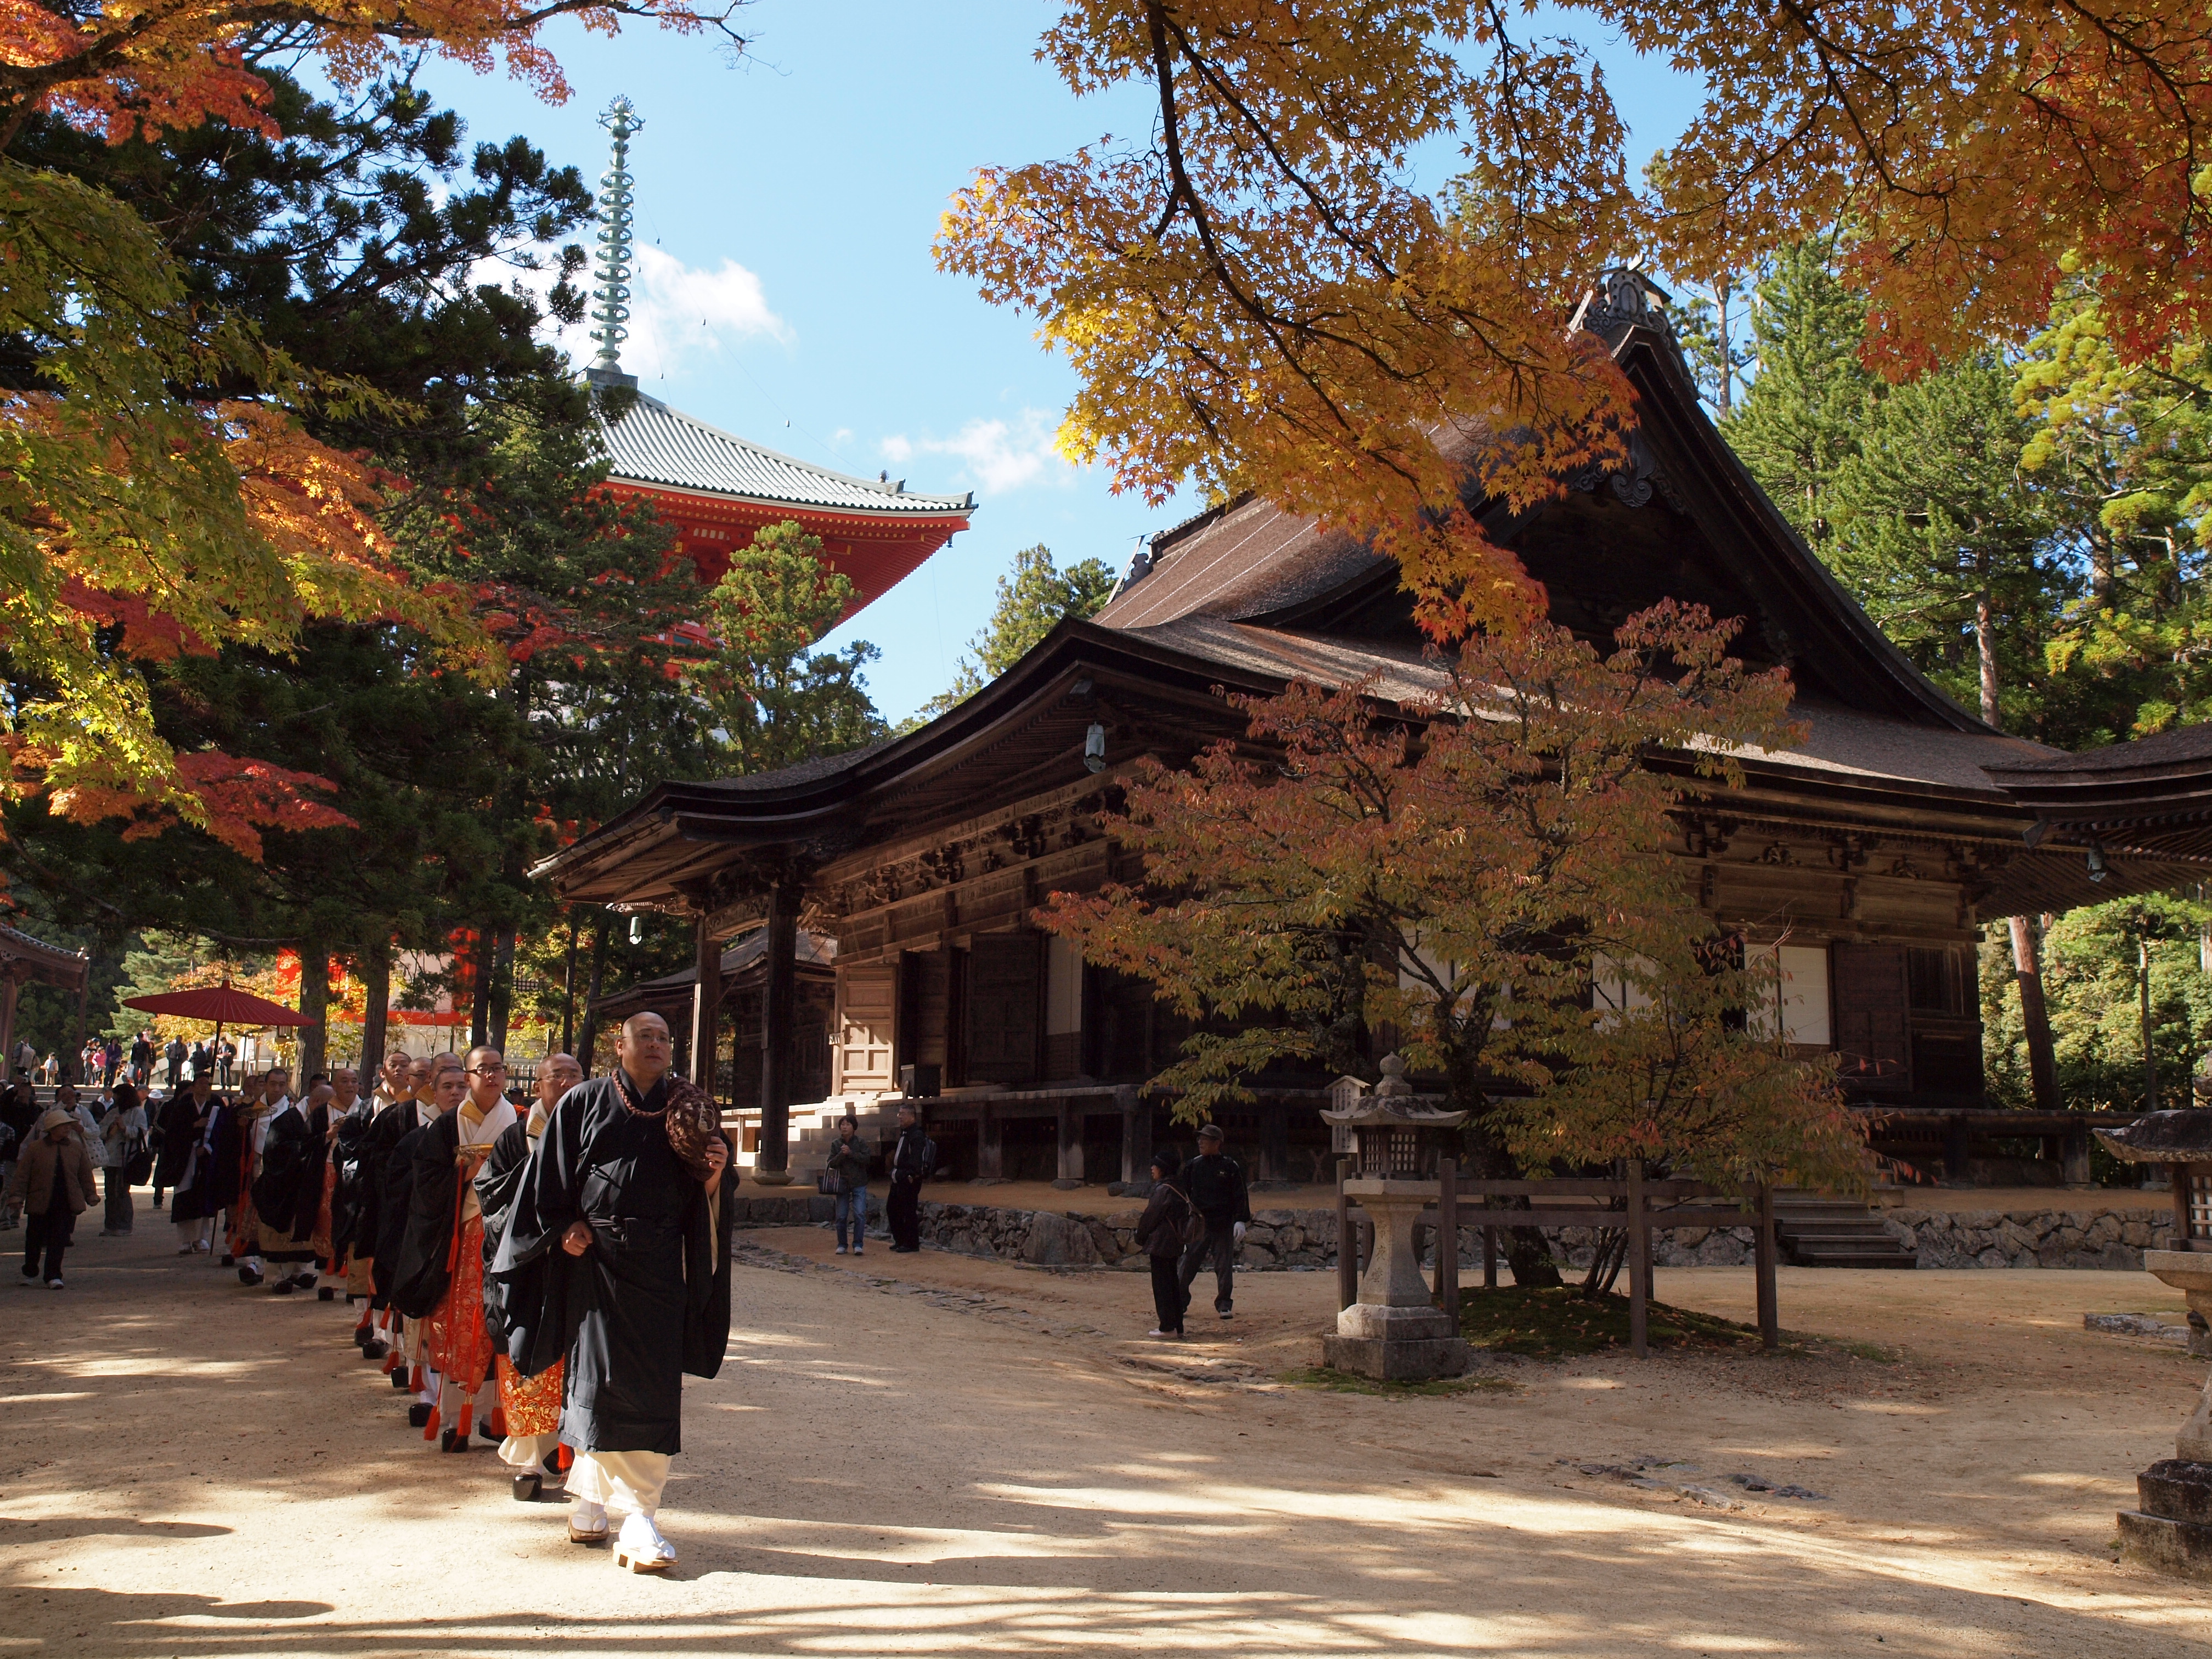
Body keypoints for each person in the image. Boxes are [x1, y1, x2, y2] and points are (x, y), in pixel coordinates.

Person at [493, 1012, 733, 1572]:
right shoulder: (584, 1102)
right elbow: (547, 1179)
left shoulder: (690, 1108)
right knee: (598, 1386)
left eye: (664, 1038)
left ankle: (635, 1515)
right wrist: (565, 1227)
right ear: (618, 1046)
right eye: (644, 1036)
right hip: (597, 1264)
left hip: (660, 1264)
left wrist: (717, 1175)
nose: (656, 1045)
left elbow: (706, 1187)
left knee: (652, 1387)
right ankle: (599, 1505)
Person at [392, 1046, 517, 1451]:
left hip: (507, 1233)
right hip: (462, 1236)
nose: (491, 1076)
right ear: (469, 1076)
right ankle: (453, 1415)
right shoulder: (448, 1126)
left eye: (498, 1068)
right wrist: (463, 1174)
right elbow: (425, 1182)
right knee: (462, 1322)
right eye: (483, 1069)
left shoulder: (518, 1120)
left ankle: (497, 1416)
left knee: (503, 1322)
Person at [478, 1051, 582, 1500]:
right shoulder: (515, 1137)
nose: (566, 1082)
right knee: (528, 1355)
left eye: (575, 1075)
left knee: (582, 1361)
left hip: (581, 1265)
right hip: (530, 1269)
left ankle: (579, 1456)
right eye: (556, 1076)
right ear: (538, 1085)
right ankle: (528, 1462)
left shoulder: (596, 1128)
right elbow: (490, 1194)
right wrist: (540, 1184)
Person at [380, 1054, 466, 1425]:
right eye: (447, 1086)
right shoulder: (414, 1133)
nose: (455, 1093)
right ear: (432, 1088)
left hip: (469, 1237)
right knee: (429, 1312)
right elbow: (395, 1186)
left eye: (462, 1086)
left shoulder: (488, 1132)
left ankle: (466, 1402)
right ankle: (429, 1395)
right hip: (423, 1235)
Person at [7, 1108, 98, 1288]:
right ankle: (30, 1271)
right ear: (53, 1128)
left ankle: (53, 1275)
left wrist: (90, 1194)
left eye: (68, 1125)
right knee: (34, 1239)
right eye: (63, 1125)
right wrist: (17, 1196)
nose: (67, 1128)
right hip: (39, 1200)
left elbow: (85, 1174)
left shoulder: (76, 1148)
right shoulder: (35, 1148)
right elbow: (23, 1175)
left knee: (58, 1239)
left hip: (64, 1200)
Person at [1177, 1124, 1251, 1322]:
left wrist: (1240, 1220)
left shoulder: (1230, 1166)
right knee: (1188, 1263)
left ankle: (1224, 1304)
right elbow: (1183, 1194)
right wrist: (1183, 1220)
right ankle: (1179, 1301)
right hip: (1199, 1223)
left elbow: (1240, 1195)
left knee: (1224, 1266)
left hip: (1223, 1223)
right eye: (1199, 1139)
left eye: (1205, 1139)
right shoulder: (1193, 1166)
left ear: (1217, 1143)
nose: (1200, 1142)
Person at [1134, 1148, 1194, 1339]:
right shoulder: (1178, 1187)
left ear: (1163, 1168)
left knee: (1162, 1286)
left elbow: (1151, 1216)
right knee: (1172, 1284)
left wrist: (1140, 1236)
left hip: (1161, 1243)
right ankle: (1177, 1326)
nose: (1152, 1168)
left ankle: (1167, 1327)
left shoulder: (1164, 1190)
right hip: (1174, 1242)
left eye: (1155, 1165)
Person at [165, 1073, 223, 1255]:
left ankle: (200, 1238)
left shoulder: (215, 1105)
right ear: (194, 1086)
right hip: (186, 1157)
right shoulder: (183, 1107)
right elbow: (173, 1132)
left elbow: (222, 1131)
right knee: (184, 1196)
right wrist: (194, 1126)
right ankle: (184, 1240)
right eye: (201, 1083)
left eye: (208, 1084)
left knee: (203, 1197)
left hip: (207, 1157)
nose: (205, 1087)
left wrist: (207, 1147)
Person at [884, 1101, 934, 1253]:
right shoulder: (905, 1133)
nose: (900, 1117)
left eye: (903, 1114)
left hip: (908, 1178)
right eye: (899, 1113)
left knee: (908, 1211)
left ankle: (911, 1243)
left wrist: (908, 1175)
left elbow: (916, 1160)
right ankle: (901, 1240)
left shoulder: (917, 1135)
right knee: (892, 1208)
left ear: (912, 1117)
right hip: (899, 1177)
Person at [98, 1081, 147, 1235]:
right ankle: (110, 1225)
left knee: (122, 1192)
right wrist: (110, 1129)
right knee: (110, 1192)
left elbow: (141, 1131)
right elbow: (101, 1129)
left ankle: (124, 1225)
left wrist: (124, 1128)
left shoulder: (137, 1113)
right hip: (111, 1156)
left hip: (126, 1157)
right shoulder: (113, 1112)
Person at [826, 1113, 871, 1256]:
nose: (844, 1127)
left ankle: (858, 1244)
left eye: (848, 1124)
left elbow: (867, 1159)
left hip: (859, 1182)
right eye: (842, 1125)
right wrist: (842, 1154)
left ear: (854, 1127)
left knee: (860, 1214)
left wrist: (851, 1153)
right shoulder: (836, 1144)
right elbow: (831, 1163)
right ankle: (842, 1244)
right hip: (842, 1183)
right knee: (841, 1216)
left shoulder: (861, 1142)